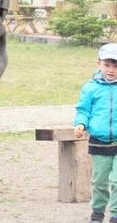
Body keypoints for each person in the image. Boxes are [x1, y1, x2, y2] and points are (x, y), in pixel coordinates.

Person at [75, 43, 117, 223]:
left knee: (116, 181)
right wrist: (80, 123)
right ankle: (97, 213)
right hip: (99, 141)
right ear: (99, 63)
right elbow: (83, 109)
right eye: (107, 65)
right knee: (99, 181)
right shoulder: (90, 87)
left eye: (116, 66)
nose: (111, 70)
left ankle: (115, 215)